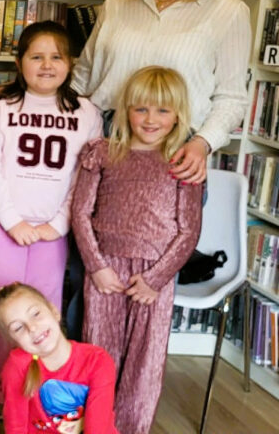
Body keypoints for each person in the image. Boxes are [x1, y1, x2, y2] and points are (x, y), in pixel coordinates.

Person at [72, 0, 249, 185]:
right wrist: (16, 96)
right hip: (103, 140)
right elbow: (83, 78)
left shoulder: (228, 12)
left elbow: (231, 98)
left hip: (175, 149)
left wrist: (202, 143)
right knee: (83, 228)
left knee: (162, 230)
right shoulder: (118, 2)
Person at [0, 21, 102, 405]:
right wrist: (11, 220)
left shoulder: (86, 112)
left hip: (52, 228)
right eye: (36, 56)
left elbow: (85, 172)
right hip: (3, 222)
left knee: (45, 307)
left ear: (70, 63)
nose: (46, 65)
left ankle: (38, 386)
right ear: (19, 62)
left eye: (56, 57)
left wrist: (58, 223)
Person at [71, 66, 203, 434]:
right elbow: (80, 213)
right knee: (100, 351)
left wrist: (156, 279)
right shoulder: (102, 153)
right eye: (141, 109)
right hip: (106, 269)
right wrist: (97, 266)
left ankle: (132, 428)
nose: (150, 119)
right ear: (127, 109)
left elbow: (189, 231)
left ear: (178, 115)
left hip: (154, 277)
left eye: (162, 110)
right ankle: (96, 426)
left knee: (145, 361)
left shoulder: (182, 164)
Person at [0, 283, 118, 434]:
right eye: (18, 328)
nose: (32, 327)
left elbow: (98, 430)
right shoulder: (16, 366)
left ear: (54, 311)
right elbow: (16, 427)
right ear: (14, 341)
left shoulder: (98, 361)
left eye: (36, 314)